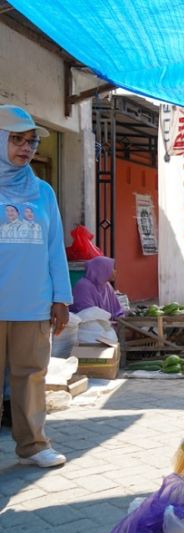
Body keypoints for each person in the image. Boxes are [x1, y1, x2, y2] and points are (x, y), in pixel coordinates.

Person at [0, 104, 71, 468]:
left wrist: (61, 297)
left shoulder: (43, 192)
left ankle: (33, 446)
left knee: (31, 377)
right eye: (16, 140)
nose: (25, 149)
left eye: (29, 142)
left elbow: (54, 246)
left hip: (32, 302)